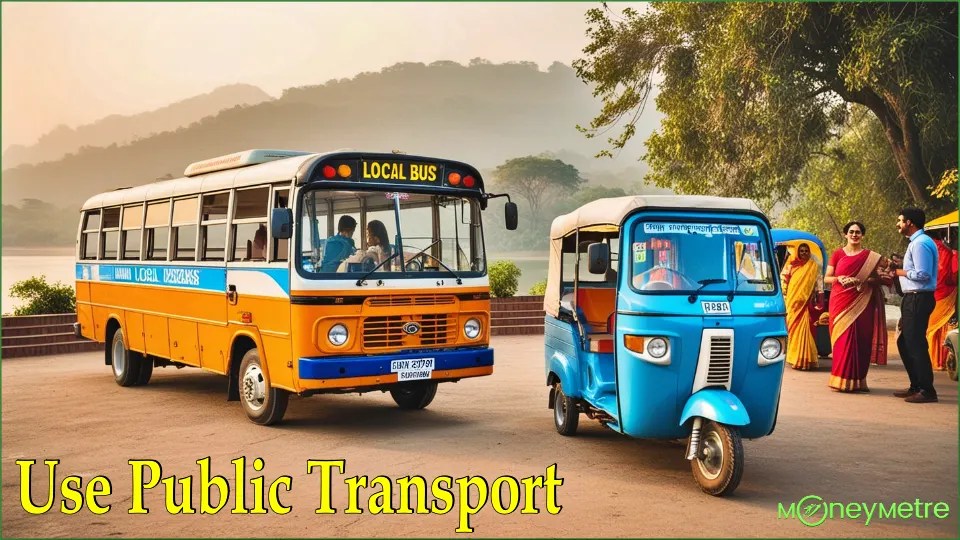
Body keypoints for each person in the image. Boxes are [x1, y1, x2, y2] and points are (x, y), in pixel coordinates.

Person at [824, 221, 891, 392]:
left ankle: (859, 380)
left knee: (862, 339)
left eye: (858, 232)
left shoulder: (871, 257)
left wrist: (861, 280)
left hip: (863, 302)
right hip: (840, 301)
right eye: (851, 232)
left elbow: (882, 276)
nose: (854, 235)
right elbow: (827, 278)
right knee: (842, 339)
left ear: (862, 235)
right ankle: (840, 380)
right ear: (846, 235)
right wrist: (840, 279)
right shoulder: (838, 254)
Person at [890, 208, 939, 403]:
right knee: (905, 342)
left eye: (900, 220)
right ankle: (916, 385)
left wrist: (899, 272)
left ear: (910, 222)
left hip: (919, 297)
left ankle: (927, 390)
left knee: (916, 343)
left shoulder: (920, 244)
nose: (898, 224)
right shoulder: (918, 243)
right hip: (913, 298)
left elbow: (923, 274)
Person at [780, 243, 821, 371]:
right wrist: (784, 296)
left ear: (809, 253)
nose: (804, 253)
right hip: (792, 302)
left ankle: (805, 358)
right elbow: (783, 280)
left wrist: (819, 299)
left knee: (805, 329)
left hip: (806, 303)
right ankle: (794, 357)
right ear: (798, 252)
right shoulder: (791, 264)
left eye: (806, 251)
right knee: (792, 328)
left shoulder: (814, 266)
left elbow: (818, 283)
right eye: (801, 251)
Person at [925, 230, 957, 372]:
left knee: (933, 327)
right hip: (946, 293)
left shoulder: (926, 248)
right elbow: (953, 277)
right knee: (942, 325)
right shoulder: (949, 252)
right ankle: (941, 360)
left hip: (931, 292)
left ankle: (936, 360)